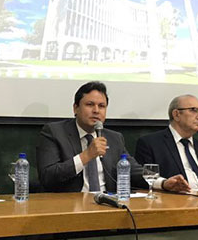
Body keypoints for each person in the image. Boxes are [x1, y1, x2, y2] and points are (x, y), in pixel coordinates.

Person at [37, 81, 174, 193]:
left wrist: (163, 183)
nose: (96, 110)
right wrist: (86, 156)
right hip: (69, 206)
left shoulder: (114, 138)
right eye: (90, 105)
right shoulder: (55, 132)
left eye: (101, 106)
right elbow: (48, 176)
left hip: (106, 204)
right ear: (75, 108)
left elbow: (134, 170)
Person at [135, 95, 198, 192]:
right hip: (171, 203)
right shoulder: (151, 144)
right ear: (176, 114)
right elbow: (144, 180)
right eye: (194, 110)